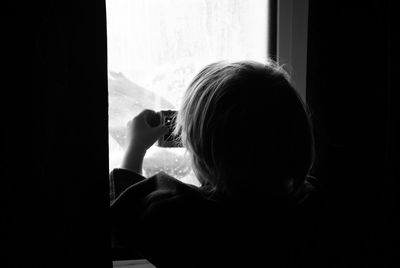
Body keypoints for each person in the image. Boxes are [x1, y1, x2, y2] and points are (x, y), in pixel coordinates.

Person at [110, 60, 318, 267]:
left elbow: (126, 212)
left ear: (201, 153)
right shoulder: (308, 208)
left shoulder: (185, 219)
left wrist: (135, 148)